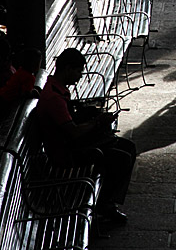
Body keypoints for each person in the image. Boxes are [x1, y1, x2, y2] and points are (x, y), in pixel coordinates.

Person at [37, 48, 137, 224]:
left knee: (128, 147)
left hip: (71, 144)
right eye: (78, 71)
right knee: (122, 158)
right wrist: (98, 122)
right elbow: (73, 132)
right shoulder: (54, 98)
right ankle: (105, 206)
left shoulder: (56, 89)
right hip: (66, 153)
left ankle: (108, 203)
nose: (80, 76)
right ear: (67, 69)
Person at [0, 47, 41, 114]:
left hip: (3, 94)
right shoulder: (30, 77)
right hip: (7, 100)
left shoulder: (20, 71)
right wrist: (35, 93)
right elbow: (26, 93)